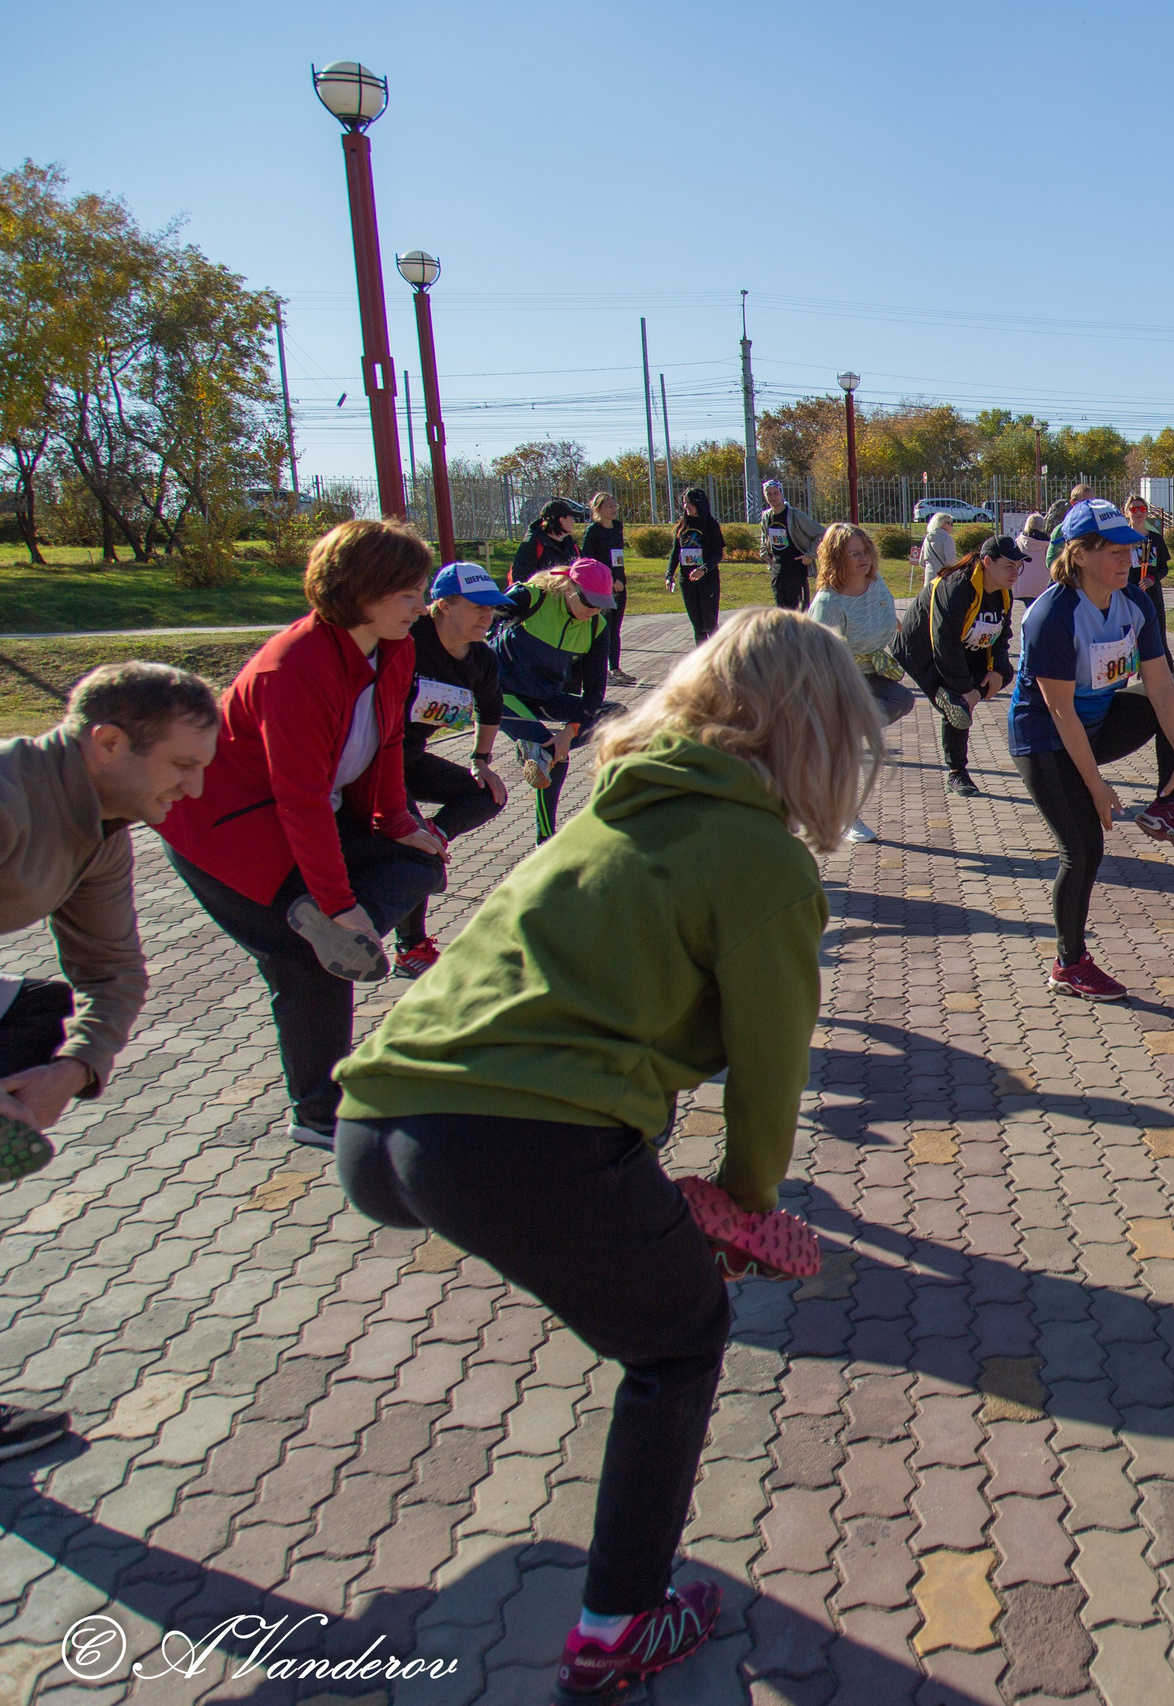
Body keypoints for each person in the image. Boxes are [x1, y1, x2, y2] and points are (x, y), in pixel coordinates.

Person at [334, 609, 884, 1705]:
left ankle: (621, 1594)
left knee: (632, 1277)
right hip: (515, 1145)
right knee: (681, 1339)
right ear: (814, 726)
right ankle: (618, 1624)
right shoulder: (761, 857)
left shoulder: (609, 811)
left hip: (379, 1127)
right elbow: (771, 1072)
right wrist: (744, 1205)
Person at [156, 520, 451, 1149]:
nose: (420, 606)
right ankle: (318, 1115)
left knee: (423, 862)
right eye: (408, 594)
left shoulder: (394, 648)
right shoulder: (293, 666)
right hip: (226, 834)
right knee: (306, 969)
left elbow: (392, 741)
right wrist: (341, 904)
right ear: (362, 592)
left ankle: (325, 928)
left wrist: (400, 823)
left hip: (310, 815)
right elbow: (300, 799)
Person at [0, 662, 219, 1457]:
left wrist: (78, 1067)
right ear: (108, 742)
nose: (193, 791)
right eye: (182, 766)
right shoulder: (8, 799)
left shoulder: (99, 827)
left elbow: (113, 971)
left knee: (37, 1022)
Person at [1009, 499, 1174, 1001]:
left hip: (1095, 726)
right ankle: (1069, 964)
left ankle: (1168, 806)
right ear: (1078, 555)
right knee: (1081, 850)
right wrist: (1096, 785)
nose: (1127, 559)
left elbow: (1160, 688)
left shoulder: (1134, 602)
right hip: (1046, 740)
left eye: (1131, 550)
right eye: (1113, 550)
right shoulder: (1051, 615)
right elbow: (1059, 711)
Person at [392, 562, 514, 975]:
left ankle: (437, 832)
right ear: (441, 605)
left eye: (493, 607)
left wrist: (481, 760)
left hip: (410, 758)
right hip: (375, 763)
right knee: (413, 848)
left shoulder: (481, 657)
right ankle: (410, 948)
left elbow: (491, 706)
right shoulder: (406, 641)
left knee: (487, 793)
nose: (487, 616)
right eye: (477, 605)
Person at [896, 534, 1027, 798]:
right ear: (987, 562)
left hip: (965, 645)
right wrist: (965, 688)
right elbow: (944, 642)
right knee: (957, 705)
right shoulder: (956, 587)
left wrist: (998, 670)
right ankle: (957, 774)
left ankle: (954, 697)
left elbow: (1001, 637)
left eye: (1018, 567)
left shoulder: (1003, 592)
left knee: (1005, 673)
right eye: (1009, 566)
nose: (1015, 573)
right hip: (922, 649)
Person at [495, 556, 614, 847]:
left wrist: (570, 731)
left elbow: (594, 692)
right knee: (555, 759)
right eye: (589, 601)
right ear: (570, 587)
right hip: (500, 693)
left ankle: (541, 752)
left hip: (543, 695)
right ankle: (545, 841)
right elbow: (479, 619)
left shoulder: (597, 627)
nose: (595, 609)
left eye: (602, 603)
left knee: (615, 714)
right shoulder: (531, 597)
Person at [806, 523, 914, 842]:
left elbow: (885, 615)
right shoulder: (829, 602)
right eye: (855, 554)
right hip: (835, 679)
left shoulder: (875, 580)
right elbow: (813, 651)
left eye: (866, 550)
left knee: (902, 699)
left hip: (871, 668)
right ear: (838, 558)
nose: (864, 558)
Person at [581, 493, 634, 686]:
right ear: (598, 509)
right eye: (609, 506)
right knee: (604, 628)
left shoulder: (618, 527)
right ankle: (601, 672)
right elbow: (587, 561)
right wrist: (608, 579)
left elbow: (617, 557)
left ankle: (616, 668)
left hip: (620, 583)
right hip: (602, 586)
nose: (614, 509)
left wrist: (618, 578)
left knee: (616, 629)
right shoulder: (593, 531)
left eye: (615, 505)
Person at [667, 487, 723, 645]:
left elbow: (718, 555)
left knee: (709, 623)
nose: (686, 507)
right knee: (697, 626)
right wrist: (669, 573)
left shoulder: (711, 525)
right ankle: (702, 659)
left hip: (707, 580)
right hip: (687, 580)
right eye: (684, 504)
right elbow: (675, 553)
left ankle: (717, 656)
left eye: (689, 503)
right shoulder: (682, 526)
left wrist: (703, 569)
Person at [759, 479, 822, 613]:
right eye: (769, 494)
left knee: (799, 615)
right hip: (777, 572)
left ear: (781, 493)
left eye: (775, 493)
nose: (773, 497)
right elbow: (764, 537)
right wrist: (764, 553)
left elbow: (821, 533)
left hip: (796, 570)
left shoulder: (795, 515)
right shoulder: (766, 517)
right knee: (782, 615)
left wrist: (810, 555)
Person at [1124, 494, 1173, 638]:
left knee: (1158, 639)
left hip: (1153, 598)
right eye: (1134, 510)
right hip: (1128, 596)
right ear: (1127, 512)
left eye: (1142, 509)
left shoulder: (1155, 538)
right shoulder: (1122, 539)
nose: (1139, 512)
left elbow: (1163, 568)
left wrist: (1152, 578)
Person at [511, 497, 583, 588]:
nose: (574, 521)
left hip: (567, 598)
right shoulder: (532, 545)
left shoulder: (571, 544)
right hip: (542, 599)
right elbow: (522, 580)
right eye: (571, 517)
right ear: (562, 520)